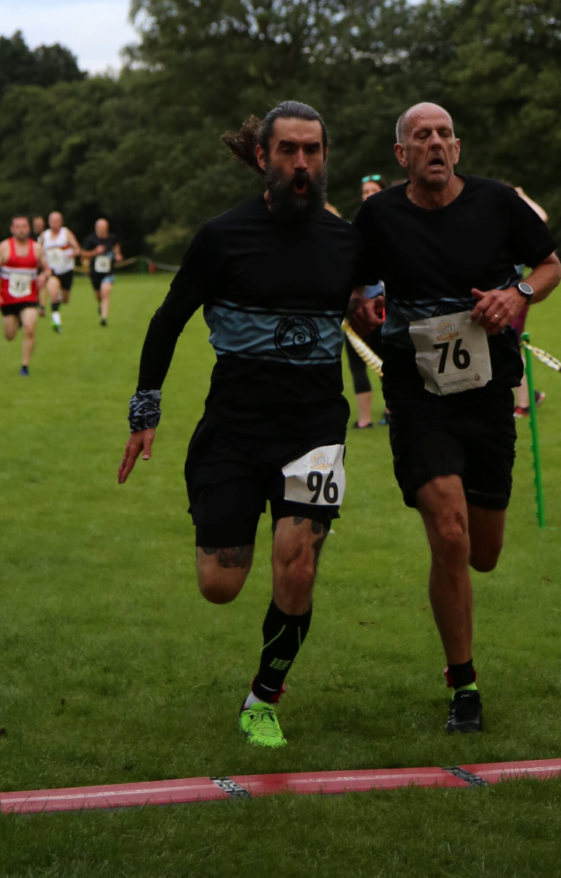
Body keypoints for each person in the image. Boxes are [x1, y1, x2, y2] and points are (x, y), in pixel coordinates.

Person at [118, 102, 367, 749]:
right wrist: (146, 409)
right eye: (288, 151)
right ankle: (222, 511)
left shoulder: (345, 242)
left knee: (298, 566)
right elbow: (168, 319)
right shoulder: (222, 238)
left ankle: (263, 698)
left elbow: (373, 311)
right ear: (263, 158)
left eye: (312, 150)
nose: (302, 164)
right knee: (219, 584)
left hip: (314, 428)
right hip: (233, 428)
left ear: (325, 156)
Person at [351, 103, 561, 734]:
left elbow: (549, 266)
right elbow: (353, 284)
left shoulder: (497, 203)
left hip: (489, 393)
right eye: (422, 136)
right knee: (448, 531)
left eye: (444, 135)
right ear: (403, 155)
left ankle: (462, 628)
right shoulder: (379, 215)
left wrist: (516, 293)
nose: (435, 143)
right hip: (417, 396)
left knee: (484, 552)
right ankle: (463, 684)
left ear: (458, 148)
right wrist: (360, 304)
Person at [345, 175, 388, 428]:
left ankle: (392, 410)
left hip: (384, 306)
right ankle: (364, 420)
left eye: (373, 190)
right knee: (356, 362)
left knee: (387, 360)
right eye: (364, 190)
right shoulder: (356, 226)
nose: (367, 194)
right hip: (355, 307)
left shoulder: (391, 226)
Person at [0, 215, 52, 376]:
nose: (21, 229)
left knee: (30, 329)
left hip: (29, 297)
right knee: (9, 335)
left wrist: (44, 276)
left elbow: (47, 269)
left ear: (29, 229)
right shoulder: (4, 247)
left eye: (24, 226)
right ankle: (19, 321)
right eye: (17, 226)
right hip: (8, 299)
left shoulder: (36, 248)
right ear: (12, 229)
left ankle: (24, 366)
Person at [507, 186, 548, 419]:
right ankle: (529, 395)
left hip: (515, 294)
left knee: (512, 347)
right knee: (505, 348)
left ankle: (524, 403)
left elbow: (541, 217)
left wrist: (521, 196)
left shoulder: (515, 228)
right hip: (494, 294)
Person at [40, 211, 80, 332]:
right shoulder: (44, 236)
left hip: (66, 270)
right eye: (52, 221)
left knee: (65, 300)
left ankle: (59, 296)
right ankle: (56, 322)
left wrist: (73, 254)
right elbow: (38, 251)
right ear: (49, 222)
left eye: (57, 221)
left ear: (61, 222)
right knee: (53, 293)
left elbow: (77, 248)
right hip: (52, 271)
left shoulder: (66, 233)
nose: (55, 224)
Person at [81, 220, 122, 326]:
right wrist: (95, 252)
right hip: (94, 273)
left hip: (109, 271)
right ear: (96, 228)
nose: (102, 229)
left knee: (105, 292)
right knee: (99, 295)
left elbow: (116, 246)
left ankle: (104, 318)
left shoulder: (112, 238)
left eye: (104, 227)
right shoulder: (91, 240)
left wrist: (117, 254)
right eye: (100, 227)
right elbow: (84, 254)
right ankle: (100, 304)